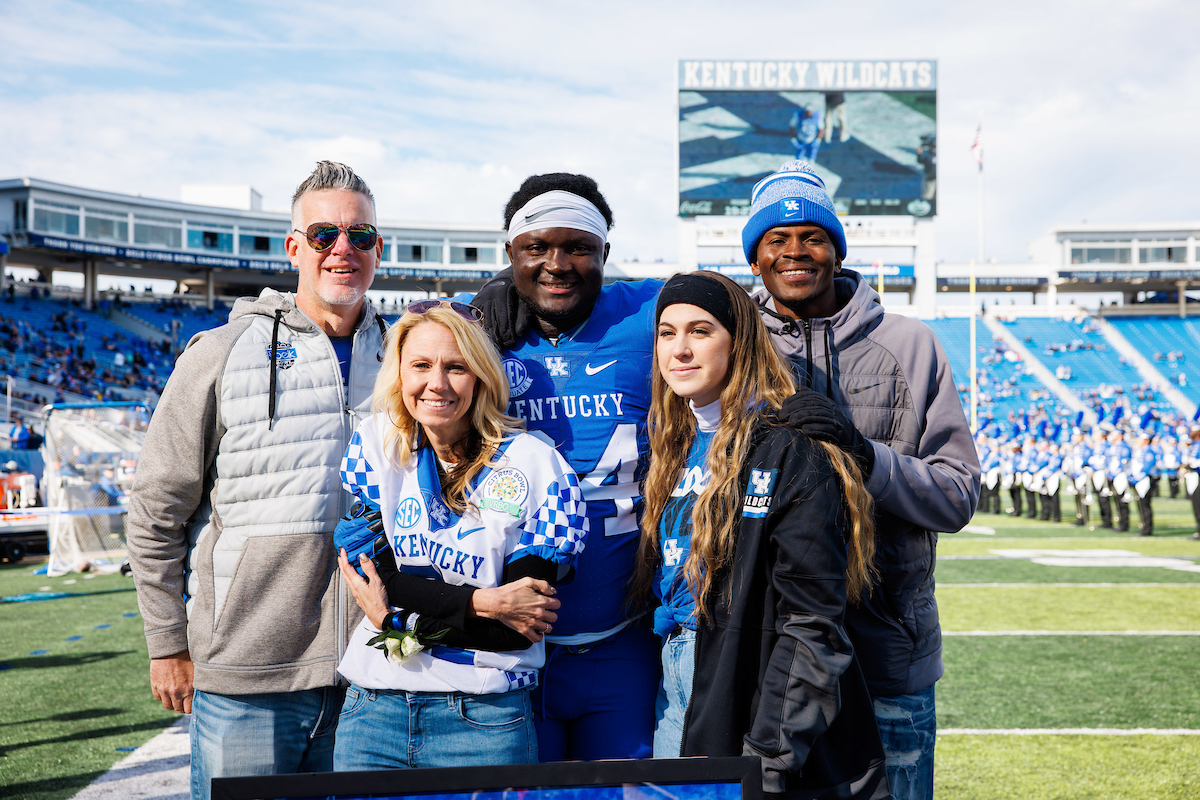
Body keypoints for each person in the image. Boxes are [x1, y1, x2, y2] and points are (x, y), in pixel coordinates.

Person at [126, 161, 387, 800]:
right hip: (247, 674)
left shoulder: (409, 354)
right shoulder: (221, 351)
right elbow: (157, 505)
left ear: (380, 249)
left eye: (361, 235)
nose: (343, 250)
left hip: (376, 673)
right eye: (324, 235)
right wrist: (166, 642)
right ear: (295, 246)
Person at [743, 160, 980, 800]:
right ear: (755, 258)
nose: (796, 252)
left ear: (837, 248)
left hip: (888, 650)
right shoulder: (732, 347)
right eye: (776, 240)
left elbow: (958, 496)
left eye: (812, 236)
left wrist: (865, 455)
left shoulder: (913, 343)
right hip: (769, 654)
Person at [633, 271, 888, 799]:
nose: (679, 349)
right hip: (675, 683)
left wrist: (770, 754)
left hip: (744, 693)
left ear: (740, 342)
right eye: (666, 332)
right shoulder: (672, 444)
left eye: (700, 331)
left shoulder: (788, 447)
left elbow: (812, 625)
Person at [331, 301, 588, 769]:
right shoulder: (378, 446)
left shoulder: (535, 464)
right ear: (399, 374)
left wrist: (395, 618)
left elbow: (510, 631)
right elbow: (368, 572)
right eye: (421, 366)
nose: (437, 383)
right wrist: (480, 602)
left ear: (482, 377)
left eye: (457, 367)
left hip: (483, 721)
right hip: (374, 715)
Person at [468, 173, 661, 760]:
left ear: (605, 252)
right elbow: (412, 351)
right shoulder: (477, 330)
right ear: (510, 255)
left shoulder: (652, 311)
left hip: (624, 638)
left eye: (578, 247)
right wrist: (474, 308)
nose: (557, 264)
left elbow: (749, 309)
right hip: (513, 644)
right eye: (536, 249)